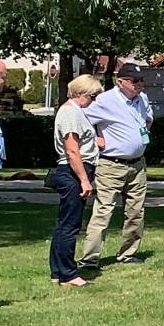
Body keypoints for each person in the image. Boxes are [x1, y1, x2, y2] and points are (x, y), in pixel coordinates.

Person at [80, 62, 154, 269]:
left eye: (141, 80)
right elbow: (81, 122)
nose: (139, 84)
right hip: (111, 164)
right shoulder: (105, 100)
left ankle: (128, 253)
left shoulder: (142, 99)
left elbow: (148, 119)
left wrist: (141, 137)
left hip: (138, 164)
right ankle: (90, 259)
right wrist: (95, 139)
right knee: (103, 211)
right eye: (135, 81)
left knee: (136, 211)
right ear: (120, 82)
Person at [48, 75, 103, 287]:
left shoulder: (74, 112)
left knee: (64, 223)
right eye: (92, 96)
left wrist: (94, 142)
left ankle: (58, 271)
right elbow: (72, 150)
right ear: (80, 93)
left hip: (74, 170)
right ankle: (68, 275)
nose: (94, 100)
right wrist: (84, 180)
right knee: (70, 225)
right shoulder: (70, 112)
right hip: (73, 172)